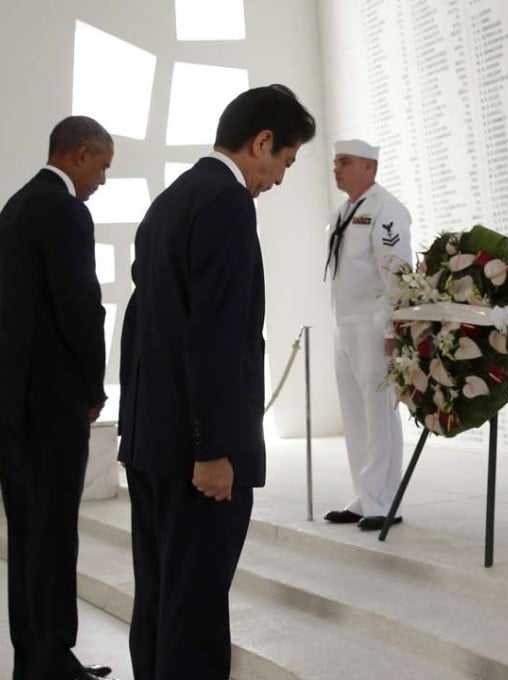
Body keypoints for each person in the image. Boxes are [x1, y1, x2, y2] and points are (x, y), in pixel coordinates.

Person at [117, 85, 315, 678]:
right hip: (194, 458)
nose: (279, 178)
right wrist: (215, 450)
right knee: (195, 613)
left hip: (153, 443)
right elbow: (215, 338)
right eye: (284, 160)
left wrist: (136, 431)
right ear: (262, 143)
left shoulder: (171, 199)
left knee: (159, 600)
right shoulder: (227, 203)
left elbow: (142, 327)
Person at [0, 116, 115, 680]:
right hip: (52, 406)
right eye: (102, 166)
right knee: (51, 534)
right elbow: (80, 308)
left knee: (25, 538)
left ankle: (33, 658)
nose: (102, 179)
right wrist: (94, 386)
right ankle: (52, 663)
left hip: (15, 406)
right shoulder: (66, 210)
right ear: (79, 155)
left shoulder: (15, 207)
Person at [323, 139, 412, 531]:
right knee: (355, 412)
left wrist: (395, 326)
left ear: (369, 169)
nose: (336, 169)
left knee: (379, 413)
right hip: (346, 325)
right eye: (335, 162)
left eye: (344, 162)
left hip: (375, 325)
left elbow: (396, 270)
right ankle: (364, 494)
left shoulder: (385, 209)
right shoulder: (344, 211)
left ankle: (385, 499)